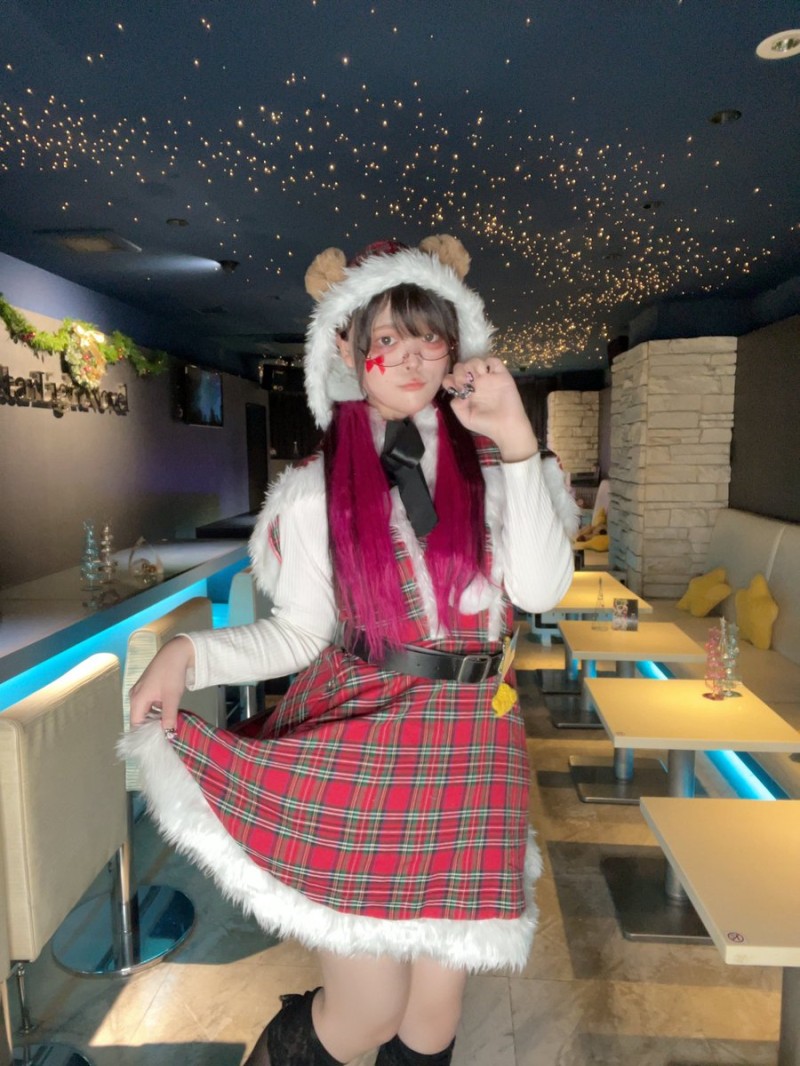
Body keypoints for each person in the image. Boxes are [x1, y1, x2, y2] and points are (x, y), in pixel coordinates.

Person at [122, 234, 574, 1066]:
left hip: (474, 747)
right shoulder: (315, 488)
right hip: (369, 732)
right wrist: (186, 654)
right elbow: (298, 634)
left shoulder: (500, 464)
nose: (409, 357)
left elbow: (542, 591)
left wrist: (517, 437)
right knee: (368, 1010)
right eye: (387, 338)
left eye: (429, 336)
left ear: (457, 346)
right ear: (347, 348)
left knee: (433, 1018)